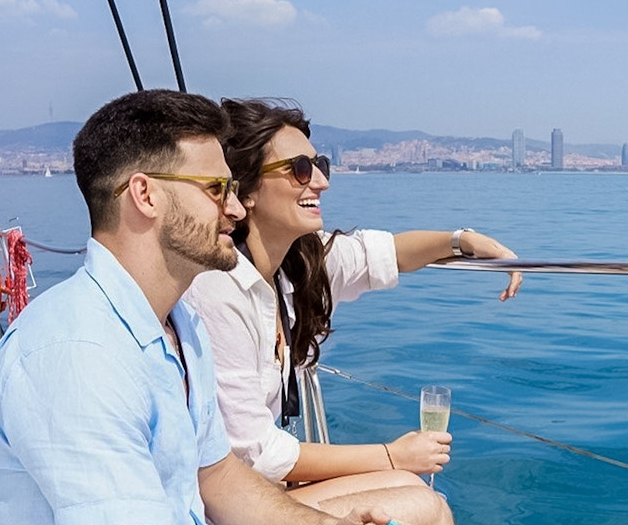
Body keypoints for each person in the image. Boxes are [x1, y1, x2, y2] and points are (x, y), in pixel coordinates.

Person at [0, 89, 457, 525]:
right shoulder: (77, 356)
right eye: (216, 190)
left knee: (417, 523)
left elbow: (219, 480)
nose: (233, 209)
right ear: (145, 195)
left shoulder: (175, 321)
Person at [183, 98, 522, 501]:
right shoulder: (217, 288)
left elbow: (388, 253)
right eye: (301, 170)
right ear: (246, 190)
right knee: (415, 500)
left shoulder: (296, 263)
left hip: (259, 491)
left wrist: (463, 240)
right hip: (221, 509)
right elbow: (255, 453)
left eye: (320, 165)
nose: (322, 182)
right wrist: (392, 456)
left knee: (415, 497)